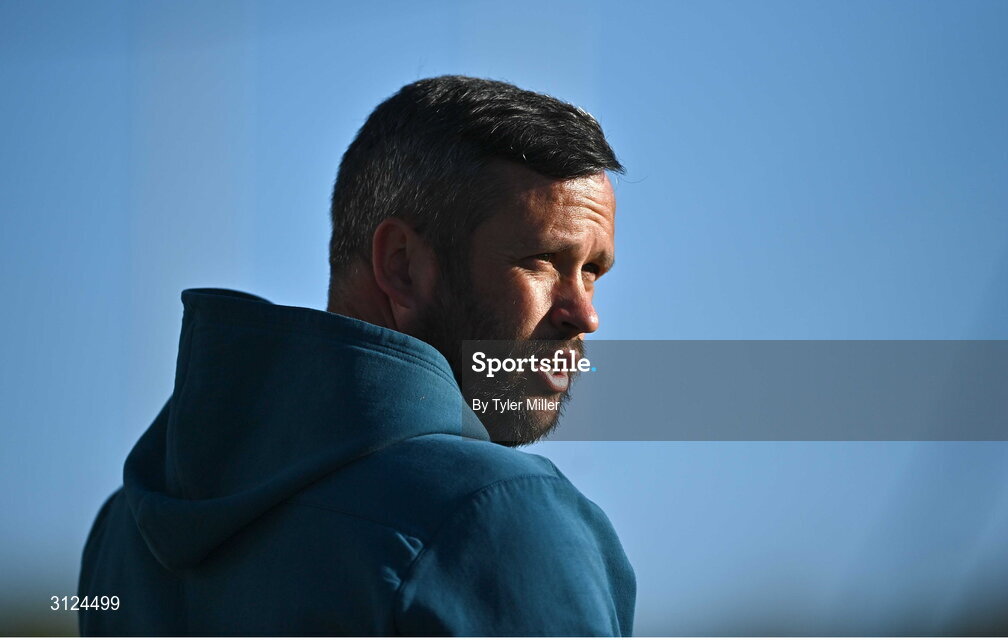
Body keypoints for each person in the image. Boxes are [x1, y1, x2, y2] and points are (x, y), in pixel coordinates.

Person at [78, 75, 635, 636]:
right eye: (543, 259)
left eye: (592, 272)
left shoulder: (123, 535)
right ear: (402, 265)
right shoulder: (498, 515)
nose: (584, 315)